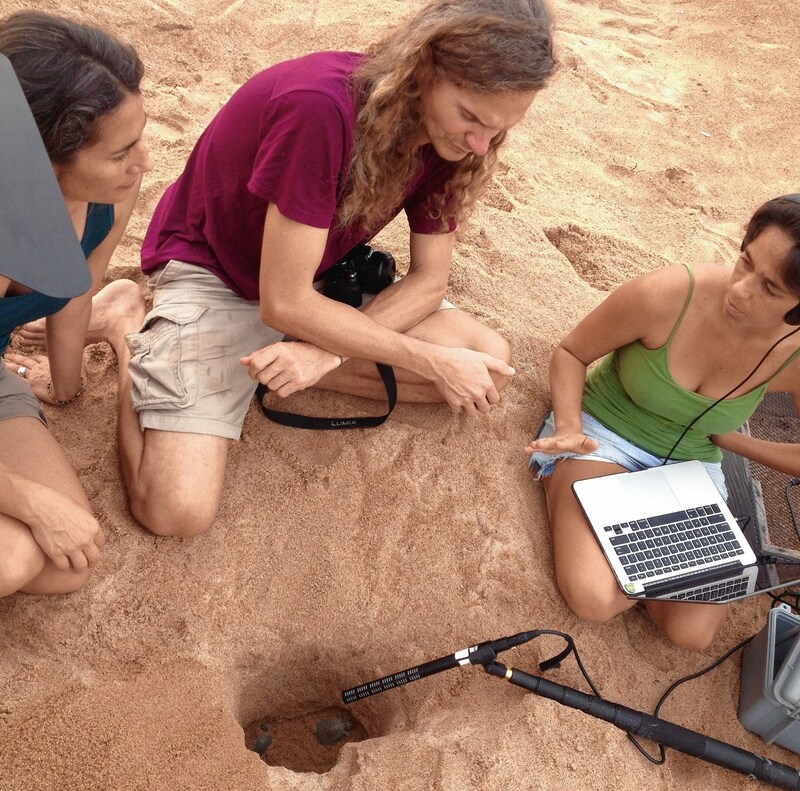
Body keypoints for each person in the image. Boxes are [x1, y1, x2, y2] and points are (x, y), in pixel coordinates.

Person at [120, 0, 556, 537]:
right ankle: (126, 333)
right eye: (469, 116)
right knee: (175, 512)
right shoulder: (320, 108)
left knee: (483, 366)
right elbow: (284, 302)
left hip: (311, 279)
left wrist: (325, 351)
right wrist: (424, 358)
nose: (480, 145)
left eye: (500, 128)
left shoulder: (458, 140)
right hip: (220, 274)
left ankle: (269, 366)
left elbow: (429, 280)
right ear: (424, 70)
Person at [524, 195, 800, 650]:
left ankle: (643, 551)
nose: (740, 289)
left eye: (770, 289)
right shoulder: (667, 293)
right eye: (744, 262)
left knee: (691, 634)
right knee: (596, 599)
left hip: (693, 464)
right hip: (606, 437)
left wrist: (736, 444)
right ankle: (633, 547)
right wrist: (568, 425)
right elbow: (571, 352)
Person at [0, 11, 152, 597]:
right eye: (121, 153)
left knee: (70, 561)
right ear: (39, 163)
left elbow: (76, 284)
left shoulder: (109, 190)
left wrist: (67, 384)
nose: (142, 164)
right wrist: (28, 500)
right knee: (13, 556)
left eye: (140, 137)